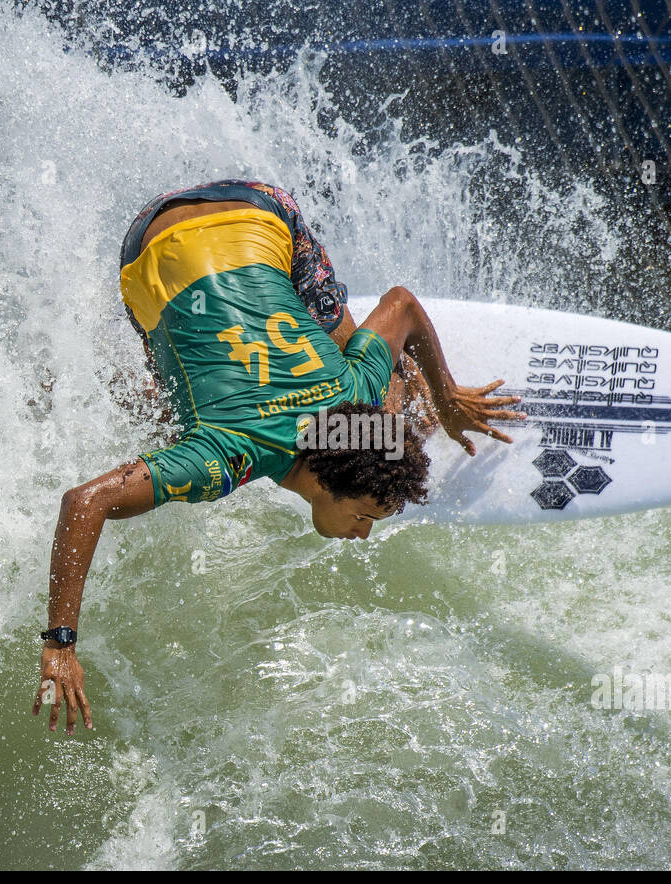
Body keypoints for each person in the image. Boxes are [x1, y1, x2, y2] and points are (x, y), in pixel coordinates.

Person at [34, 179, 524, 733]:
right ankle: (49, 389)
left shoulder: (352, 389)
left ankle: (417, 398)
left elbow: (401, 305)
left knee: (220, 390)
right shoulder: (226, 454)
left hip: (255, 207)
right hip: (147, 243)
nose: (362, 533)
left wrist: (449, 395)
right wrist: (60, 643)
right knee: (176, 409)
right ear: (324, 480)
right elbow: (84, 502)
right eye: (364, 515)